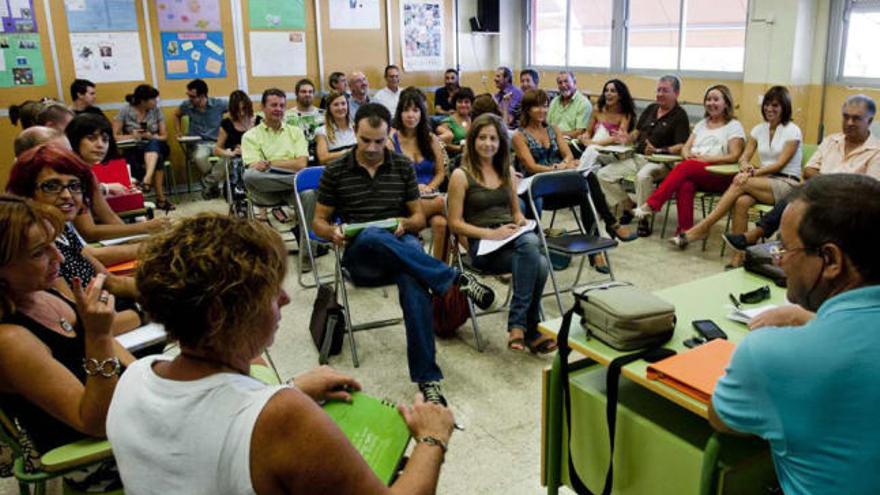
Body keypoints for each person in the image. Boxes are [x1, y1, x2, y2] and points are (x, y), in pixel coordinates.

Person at [107, 213, 455, 494]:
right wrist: (432, 437)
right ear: (221, 315)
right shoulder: (282, 416)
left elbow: (206, 431)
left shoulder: (134, 377)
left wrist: (288, 387)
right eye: (272, 294)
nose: (286, 300)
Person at [313, 103, 496, 404]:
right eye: (365, 140)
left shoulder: (400, 166)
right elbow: (318, 221)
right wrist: (331, 231)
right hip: (362, 256)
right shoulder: (336, 171)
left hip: (401, 248)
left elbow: (418, 220)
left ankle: (429, 381)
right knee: (372, 234)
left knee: (414, 285)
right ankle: (452, 278)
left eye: (378, 140)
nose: (372, 148)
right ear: (355, 133)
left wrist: (404, 223)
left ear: (388, 136)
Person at [709, 174, 880, 495]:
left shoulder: (770, 354)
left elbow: (722, 419)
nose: (780, 260)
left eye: (785, 247)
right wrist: (814, 318)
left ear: (830, 260)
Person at [0, 195, 133, 488]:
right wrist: (98, 335)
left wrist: (156, 382)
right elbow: (94, 423)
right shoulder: (10, 340)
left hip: (127, 420)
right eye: (38, 253)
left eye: (54, 244)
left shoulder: (42, 293)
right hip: (97, 459)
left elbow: (119, 356)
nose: (58, 258)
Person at [447, 114, 556, 354]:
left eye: (494, 138)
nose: (488, 143)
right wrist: (491, 234)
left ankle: (523, 328)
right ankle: (525, 326)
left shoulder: (506, 170)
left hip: (512, 240)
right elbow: (455, 224)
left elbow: (516, 212)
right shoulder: (460, 175)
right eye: (482, 138)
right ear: (473, 140)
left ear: (501, 143)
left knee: (538, 261)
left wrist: (521, 221)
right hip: (483, 247)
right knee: (533, 249)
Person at [6, 145, 142, 333]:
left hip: (113, 312)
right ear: (26, 192)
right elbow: (78, 323)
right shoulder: (36, 247)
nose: (67, 195)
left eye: (74, 186)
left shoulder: (64, 230)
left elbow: (110, 281)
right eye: (52, 186)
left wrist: (167, 293)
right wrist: (145, 314)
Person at [724, 94, 880, 254]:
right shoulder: (831, 141)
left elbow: (868, 191)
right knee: (794, 194)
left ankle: (756, 236)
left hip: (849, 206)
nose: (849, 123)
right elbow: (808, 170)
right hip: (818, 194)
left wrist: (829, 184)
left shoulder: (876, 152)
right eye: (846, 117)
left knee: (797, 194)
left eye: (856, 118)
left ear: (869, 120)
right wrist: (828, 185)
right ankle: (770, 248)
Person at [677, 86, 802, 263]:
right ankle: (739, 256)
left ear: (785, 107)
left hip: (787, 184)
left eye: (775, 105)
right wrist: (745, 167)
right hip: (764, 181)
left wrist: (751, 173)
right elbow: (744, 157)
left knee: (740, 183)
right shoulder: (759, 129)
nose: (769, 109)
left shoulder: (792, 130)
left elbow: (779, 164)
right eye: (767, 104)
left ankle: (704, 226)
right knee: (740, 202)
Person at [512, 89, 635, 247]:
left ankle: (596, 247)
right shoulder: (519, 136)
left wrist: (565, 164)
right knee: (587, 182)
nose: (543, 111)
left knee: (587, 184)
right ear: (527, 109)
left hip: (558, 181)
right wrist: (557, 169)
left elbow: (568, 155)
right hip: (538, 187)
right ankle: (612, 225)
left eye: (545, 106)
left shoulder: (553, 129)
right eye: (537, 107)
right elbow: (531, 166)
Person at [632, 84, 745, 236]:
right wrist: (687, 154)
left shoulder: (734, 126)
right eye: (708, 100)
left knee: (685, 167)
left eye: (716, 99)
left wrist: (707, 159)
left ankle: (653, 204)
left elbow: (734, 156)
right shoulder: (701, 124)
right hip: (696, 170)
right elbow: (686, 147)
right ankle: (684, 232)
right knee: (684, 184)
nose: (711, 103)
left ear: (726, 103)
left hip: (720, 173)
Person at [596, 75, 691, 237]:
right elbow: (637, 132)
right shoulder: (651, 109)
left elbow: (682, 146)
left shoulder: (680, 115)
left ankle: (643, 219)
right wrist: (626, 137)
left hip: (661, 162)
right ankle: (628, 204)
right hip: (637, 156)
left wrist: (659, 151)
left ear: (676, 93)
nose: (660, 94)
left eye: (665, 90)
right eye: (658, 90)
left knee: (642, 177)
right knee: (603, 175)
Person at [241, 88, 319, 269]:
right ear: (263, 107)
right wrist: (287, 165)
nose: (278, 109)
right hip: (266, 191)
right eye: (273, 105)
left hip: (293, 189)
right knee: (249, 175)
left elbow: (301, 164)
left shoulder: (295, 132)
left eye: (282, 105)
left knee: (309, 194)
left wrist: (270, 163)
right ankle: (301, 182)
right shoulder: (250, 136)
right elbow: (253, 168)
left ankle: (308, 255)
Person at [65, 113, 170, 240]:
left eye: (105, 139)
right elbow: (88, 232)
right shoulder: (71, 175)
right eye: (91, 138)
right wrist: (143, 228)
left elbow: (109, 217)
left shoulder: (88, 174)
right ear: (74, 140)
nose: (100, 145)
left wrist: (136, 238)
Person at [388, 88, 449, 259]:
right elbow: (393, 180)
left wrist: (429, 187)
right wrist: (415, 187)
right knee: (449, 205)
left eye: (415, 110)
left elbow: (440, 173)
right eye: (406, 110)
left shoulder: (430, 139)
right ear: (399, 113)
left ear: (422, 113)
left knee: (441, 223)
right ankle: (479, 254)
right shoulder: (391, 141)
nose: (410, 115)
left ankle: (440, 274)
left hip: (431, 195)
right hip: (405, 199)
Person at [112, 84, 174, 211]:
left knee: (154, 144)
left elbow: (164, 136)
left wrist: (150, 136)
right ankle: (160, 199)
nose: (156, 102)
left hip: (157, 144)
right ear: (143, 101)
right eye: (153, 99)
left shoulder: (156, 111)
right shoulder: (125, 110)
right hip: (135, 147)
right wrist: (132, 136)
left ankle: (147, 179)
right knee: (158, 158)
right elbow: (114, 136)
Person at [174, 79, 227, 199]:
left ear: (202, 96)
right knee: (199, 157)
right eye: (188, 96)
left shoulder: (219, 104)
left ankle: (207, 182)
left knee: (228, 157)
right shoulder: (186, 105)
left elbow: (235, 110)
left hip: (217, 142)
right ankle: (213, 184)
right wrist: (178, 131)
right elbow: (176, 115)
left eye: (192, 96)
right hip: (199, 144)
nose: (189, 99)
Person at [577, 79, 636, 147]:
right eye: (606, 90)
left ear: (620, 96)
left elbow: (617, 138)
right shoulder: (597, 109)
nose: (608, 93)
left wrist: (593, 143)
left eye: (613, 91)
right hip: (592, 146)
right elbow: (588, 132)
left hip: (612, 149)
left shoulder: (626, 114)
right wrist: (584, 137)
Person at [547, 71, 592, 139]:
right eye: (560, 83)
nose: (563, 85)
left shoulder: (584, 103)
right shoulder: (554, 101)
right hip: (552, 140)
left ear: (574, 82)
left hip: (571, 143)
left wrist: (556, 134)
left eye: (566, 81)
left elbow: (580, 132)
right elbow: (547, 125)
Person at [315, 91, 356, 165]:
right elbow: (323, 158)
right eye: (336, 105)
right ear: (329, 108)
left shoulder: (357, 128)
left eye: (343, 104)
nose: (340, 108)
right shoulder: (321, 131)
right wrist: (348, 152)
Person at [437, 87, 474, 155]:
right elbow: (442, 144)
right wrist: (458, 148)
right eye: (460, 102)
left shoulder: (473, 119)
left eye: (466, 102)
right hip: (456, 159)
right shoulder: (447, 122)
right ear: (455, 103)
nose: (463, 105)